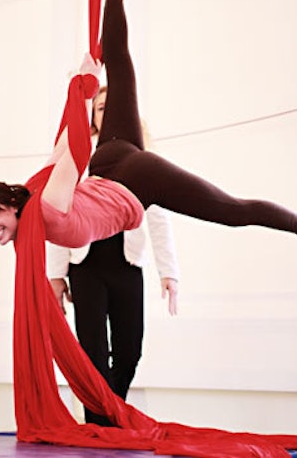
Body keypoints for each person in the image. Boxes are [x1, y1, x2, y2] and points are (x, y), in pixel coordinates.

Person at [0, 0, 297, 267]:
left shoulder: (46, 207)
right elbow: (62, 147)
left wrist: (85, 91)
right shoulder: (34, 190)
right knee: (121, 67)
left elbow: (74, 154)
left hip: (137, 180)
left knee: (235, 211)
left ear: (11, 204)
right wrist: (81, 90)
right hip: (111, 161)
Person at [47, 86, 179, 426]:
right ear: (92, 116)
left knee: (129, 352)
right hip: (86, 265)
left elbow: (159, 215)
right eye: (101, 108)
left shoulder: (142, 154)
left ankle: (109, 414)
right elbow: (59, 210)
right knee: (92, 354)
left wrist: (170, 272)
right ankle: (100, 425)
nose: (108, 113)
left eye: (114, 106)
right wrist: (56, 275)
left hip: (127, 265)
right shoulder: (78, 153)